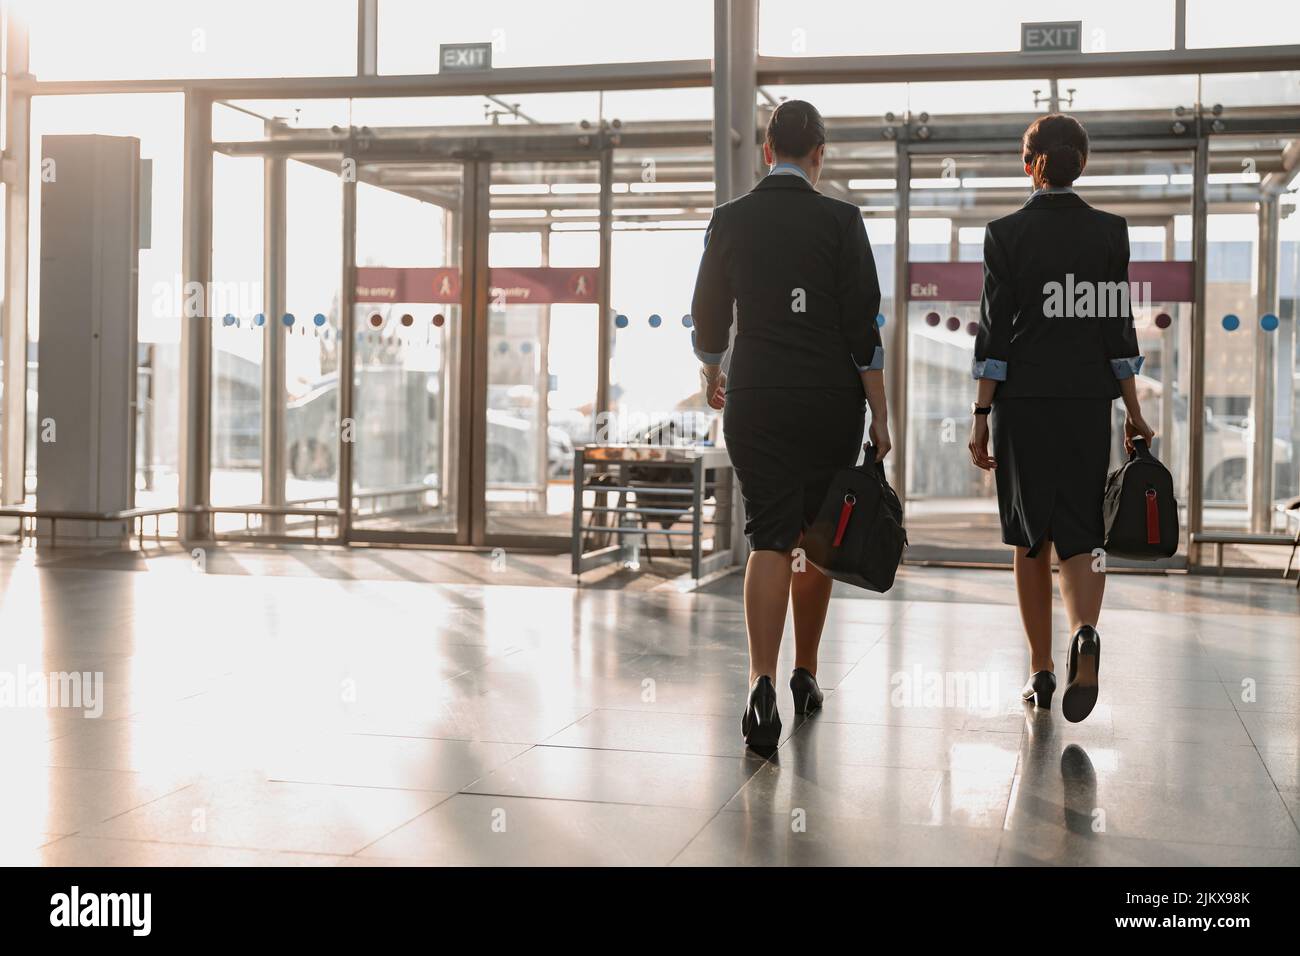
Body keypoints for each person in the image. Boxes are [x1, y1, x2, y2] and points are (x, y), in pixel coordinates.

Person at [690, 100, 890, 750]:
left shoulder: (731, 220)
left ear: (767, 151)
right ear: (820, 155)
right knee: (814, 533)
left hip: (758, 396)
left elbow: (707, 312)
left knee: (769, 535)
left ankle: (760, 681)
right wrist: (880, 413)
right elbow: (863, 328)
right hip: (831, 401)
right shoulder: (841, 220)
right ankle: (806, 672)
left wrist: (711, 371)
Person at [967, 113, 1155, 723]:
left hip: (1022, 404)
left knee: (1029, 535)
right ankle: (1085, 633)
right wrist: (1132, 408)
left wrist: (980, 413)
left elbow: (994, 334)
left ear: (1030, 165)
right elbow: (1116, 329)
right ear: (1083, 162)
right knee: (1082, 531)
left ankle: (1041, 671)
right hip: (1084, 403)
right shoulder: (1109, 233)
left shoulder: (1004, 235)